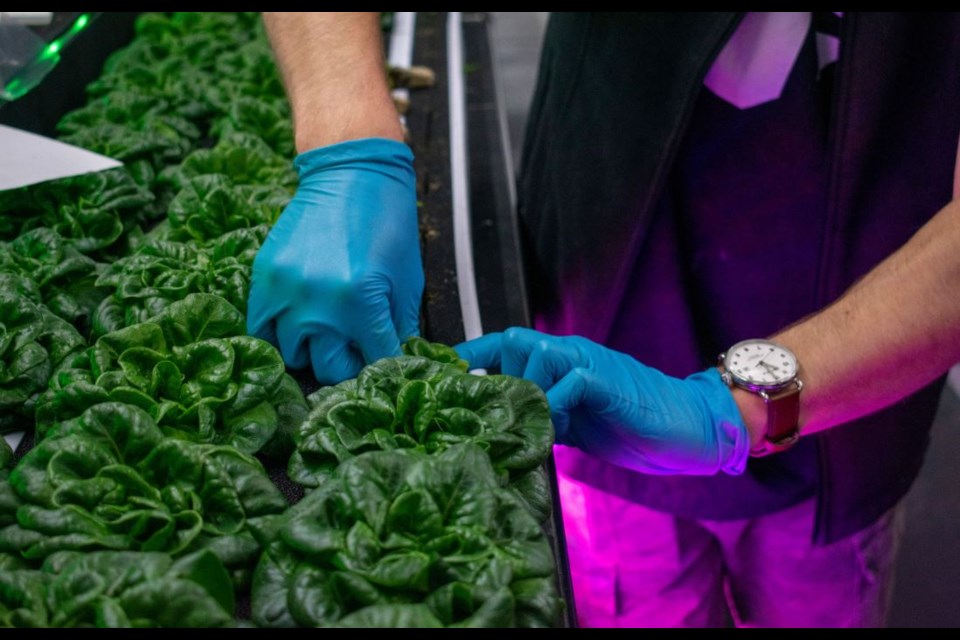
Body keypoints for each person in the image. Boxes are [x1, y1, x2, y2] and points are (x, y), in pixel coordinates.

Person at [248, 12, 960, 628]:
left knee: (814, 593)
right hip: (597, 342)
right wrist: (350, 143)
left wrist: (732, 408)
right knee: (632, 591)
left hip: (859, 369)